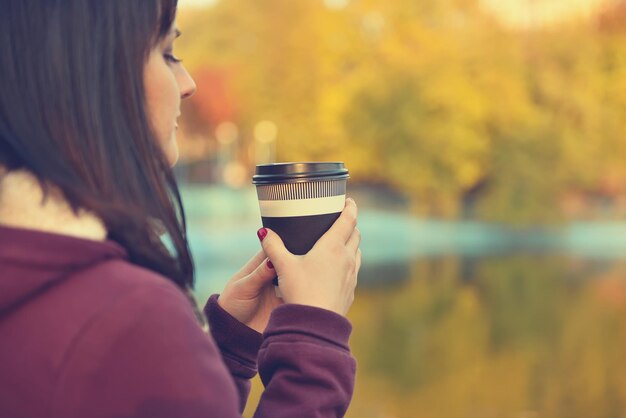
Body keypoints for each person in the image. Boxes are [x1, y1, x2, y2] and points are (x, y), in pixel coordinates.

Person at [0, 1, 361, 417]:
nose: (187, 83)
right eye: (167, 52)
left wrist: (226, 347)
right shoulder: (126, 319)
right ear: (93, 74)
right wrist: (315, 341)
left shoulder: (31, 277)